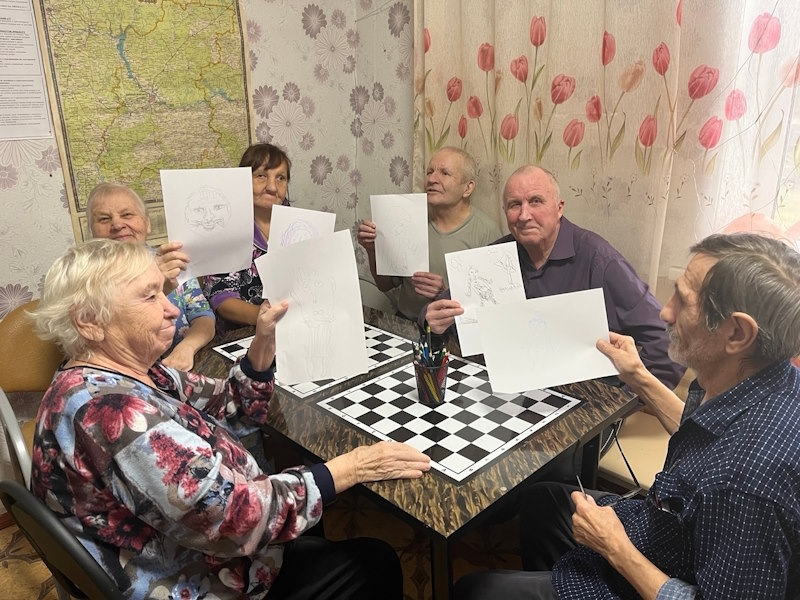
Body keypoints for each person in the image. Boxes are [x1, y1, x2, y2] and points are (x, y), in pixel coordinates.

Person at [30, 239, 431, 599]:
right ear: (89, 321)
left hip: (204, 546)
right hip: (199, 577)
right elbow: (238, 520)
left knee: (322, 532)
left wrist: (263, 342)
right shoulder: (112, 413)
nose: (172, 309)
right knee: (375, 562)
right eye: (150, 297)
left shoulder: (130, 375)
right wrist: (353, 467)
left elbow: (232, 407)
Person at [453, 232, 800, 599]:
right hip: (665, 528)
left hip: (650, 568)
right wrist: (636, 375)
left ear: (737, 333)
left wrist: (615, 547)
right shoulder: (768, 380)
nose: (666, 312)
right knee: (542, 501)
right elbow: (703, 436)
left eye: (683, 301)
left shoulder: (748, 482)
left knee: (476, 591)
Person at [425, 165, 683, 388]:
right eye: (515, 205)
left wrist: (623, 400)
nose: (524, 215)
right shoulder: (496, 256)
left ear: (559, 208)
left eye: (536, 201)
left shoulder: (600, 261)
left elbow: (669, 340)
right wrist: (432, 320)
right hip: (511, 391)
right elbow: (438, 312)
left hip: (583, 402)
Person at [357, 146, 501, 321]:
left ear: (467, 188)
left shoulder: (487, 232)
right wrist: (373, 250)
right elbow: (385, 285)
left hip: (454, 328)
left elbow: (493, 304)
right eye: (429, 172)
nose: (432, 179)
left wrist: (445, 293)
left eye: (445, 173)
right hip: (408, 324)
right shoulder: (408, 220)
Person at [87, 182, 215, 371]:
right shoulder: (85, 277)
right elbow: (110, 339)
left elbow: (203, 316)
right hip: (129, 375)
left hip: (183, 368)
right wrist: (159, 285)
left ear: (147, 224)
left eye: (127, 215)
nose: (117, 225)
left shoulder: (172, 260)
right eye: (104, 219)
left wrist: (187, 347)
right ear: (92, 230)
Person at [203, 143, 291, 333]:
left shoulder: (298, 227)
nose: (272, 187)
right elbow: (222, 299)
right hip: (243, 335)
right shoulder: (226, 232)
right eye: (261, 176)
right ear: (242, 181)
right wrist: (266, 317)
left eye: (280, 178)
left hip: (292, 329)